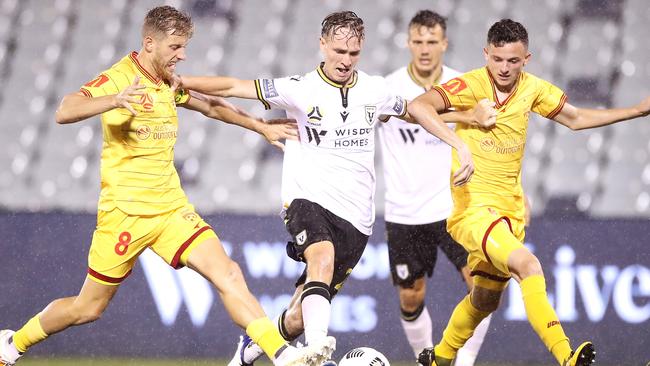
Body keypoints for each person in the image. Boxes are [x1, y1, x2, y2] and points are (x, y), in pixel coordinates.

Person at [0, 6, 335, 366]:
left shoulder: (166, 82)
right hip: (124, 216)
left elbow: (210, 106)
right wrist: (115, 100)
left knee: (229, 273)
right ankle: (13, 342)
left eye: (184, 46)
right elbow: (65, 109)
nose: (182, 55)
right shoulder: (119, 78)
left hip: (171, 211)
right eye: (175, 47)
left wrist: (260, 126)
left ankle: (280, 354)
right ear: (150, 43)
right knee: (87, 308)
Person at [173, 11, 493, 366]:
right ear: (322, 44)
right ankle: (316, 352)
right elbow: (234, 86)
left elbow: (418, 113)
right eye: (338, 51)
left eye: (353, 53)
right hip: (307, 198)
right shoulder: (300, 88)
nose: (345, 60)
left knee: (296, 317)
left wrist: (466, 120)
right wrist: (181, 79)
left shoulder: (376, 90)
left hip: (356, 219)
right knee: (321, 258)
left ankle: (248, 353)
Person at [410, 18, 650, 366]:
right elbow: (419, 106)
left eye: (513, 60)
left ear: (527, 59)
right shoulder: (471, 85)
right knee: (529, 265)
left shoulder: (532, 88)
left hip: (510, 210)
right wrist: (461, 140)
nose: (504, 68)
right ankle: (566, 355)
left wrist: (638, 110)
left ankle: (440, 358)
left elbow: (576, 118)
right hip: (474, 209)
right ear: (486, 54)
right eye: (497, 59)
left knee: (484, 300)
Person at [377, 10, 491, 365]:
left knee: (482, 287)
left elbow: (494, 142)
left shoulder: (465, 86)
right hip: (405, 212)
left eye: (432, 42)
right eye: (418, 41)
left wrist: (520, 191)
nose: (425, 49)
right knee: (411, 297)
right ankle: (424, 359)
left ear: (444, 43)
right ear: (408, 43)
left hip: (456, 207)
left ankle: (465, 362)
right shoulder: (388, 88)